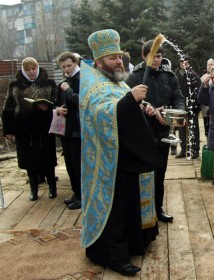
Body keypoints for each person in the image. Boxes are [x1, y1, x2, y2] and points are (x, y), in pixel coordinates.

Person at [79, 29, 162, 277]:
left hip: (125, 156)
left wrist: (142, 106)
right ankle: (114, 256)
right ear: (99, 61)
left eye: (120, 56)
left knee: (128, 204)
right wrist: (129, 99)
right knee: (114, 209)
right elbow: (100, 114)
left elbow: (124, 106)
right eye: (113, 58)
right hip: (108, 161)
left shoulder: (115, 80)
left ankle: (133, 243)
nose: (119, 61)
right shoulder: (93, 83)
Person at [126, 39, 185, 223]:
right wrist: (147, 108)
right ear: (144, 56)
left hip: (163, 132)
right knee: (144, 173)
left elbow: (178, 96)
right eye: (153, 57)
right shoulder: (135, 77)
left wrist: (177, 112)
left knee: (160, 172)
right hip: (142, 133)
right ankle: (142, 211)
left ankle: (157, 208)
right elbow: (127, 102)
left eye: (159, 56)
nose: (157, 60)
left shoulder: (168, 76)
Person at [2, 57, 57, 201]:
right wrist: (8, 130)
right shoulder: (15, 85)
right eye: (28, 69)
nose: (31, 72)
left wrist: (48, 108)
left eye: (33, 68)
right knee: (29, 160)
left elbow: (57, 102)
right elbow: (8, 108)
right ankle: (34, 190)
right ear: (23, 70)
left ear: (38, 68)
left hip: (45, 127)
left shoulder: (49, 83)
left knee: (48, 158)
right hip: (24, 129)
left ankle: (52, 187)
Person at [55, 51, 82, 210]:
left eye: (69, 65)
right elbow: (58, 102)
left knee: (78, 165)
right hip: (66, 128)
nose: (66, 69)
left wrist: (68, 90)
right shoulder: (65, 81)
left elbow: (83, 101)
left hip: (78, 129)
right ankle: (76, 192)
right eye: (63, 67)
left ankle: (82, 195)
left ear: (76, 63)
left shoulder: (82, 79)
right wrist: (58, 109)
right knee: (70, 164)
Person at [174, 55, 201, 159]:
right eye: (182, 61)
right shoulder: (175, 75)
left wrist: (191, 102)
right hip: (180, 107)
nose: (183, 63)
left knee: (193, 129)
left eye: (186, 62)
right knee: (181, 129)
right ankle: (184, 149)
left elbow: (197, 91)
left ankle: (195, 150)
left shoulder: (193, 75)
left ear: (189, 63)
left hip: (192, 107)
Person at [200, 58, 214, 137]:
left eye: (211, 64)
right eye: (208, 65)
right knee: (207, 131)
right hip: (205, 110)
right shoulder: (203, 78)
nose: (209, 66)